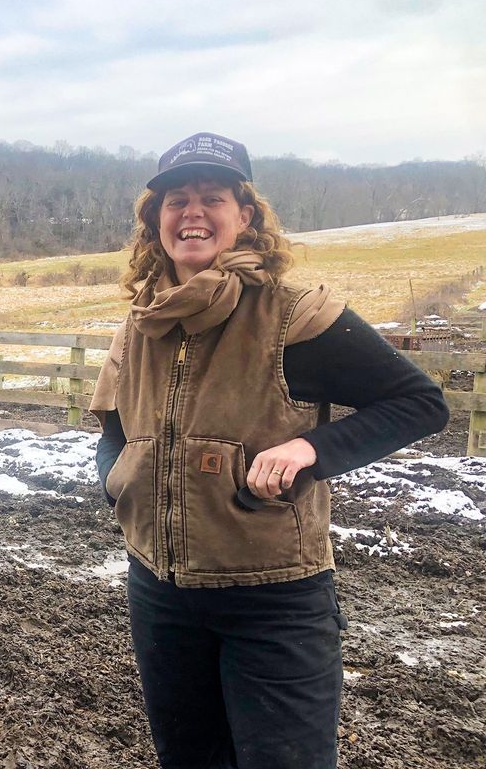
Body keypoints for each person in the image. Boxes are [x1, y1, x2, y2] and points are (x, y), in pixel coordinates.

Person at [89, 132, 449, 769]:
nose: (192, 212)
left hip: (273, 598)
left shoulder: (295, 316)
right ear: (156, 221)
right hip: (160, 594)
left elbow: (418, 403)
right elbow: (115, 427)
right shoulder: (141, 322)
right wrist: (117, 480)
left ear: (245, 217)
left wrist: (312, 449)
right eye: (176, 200)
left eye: (212, 198)